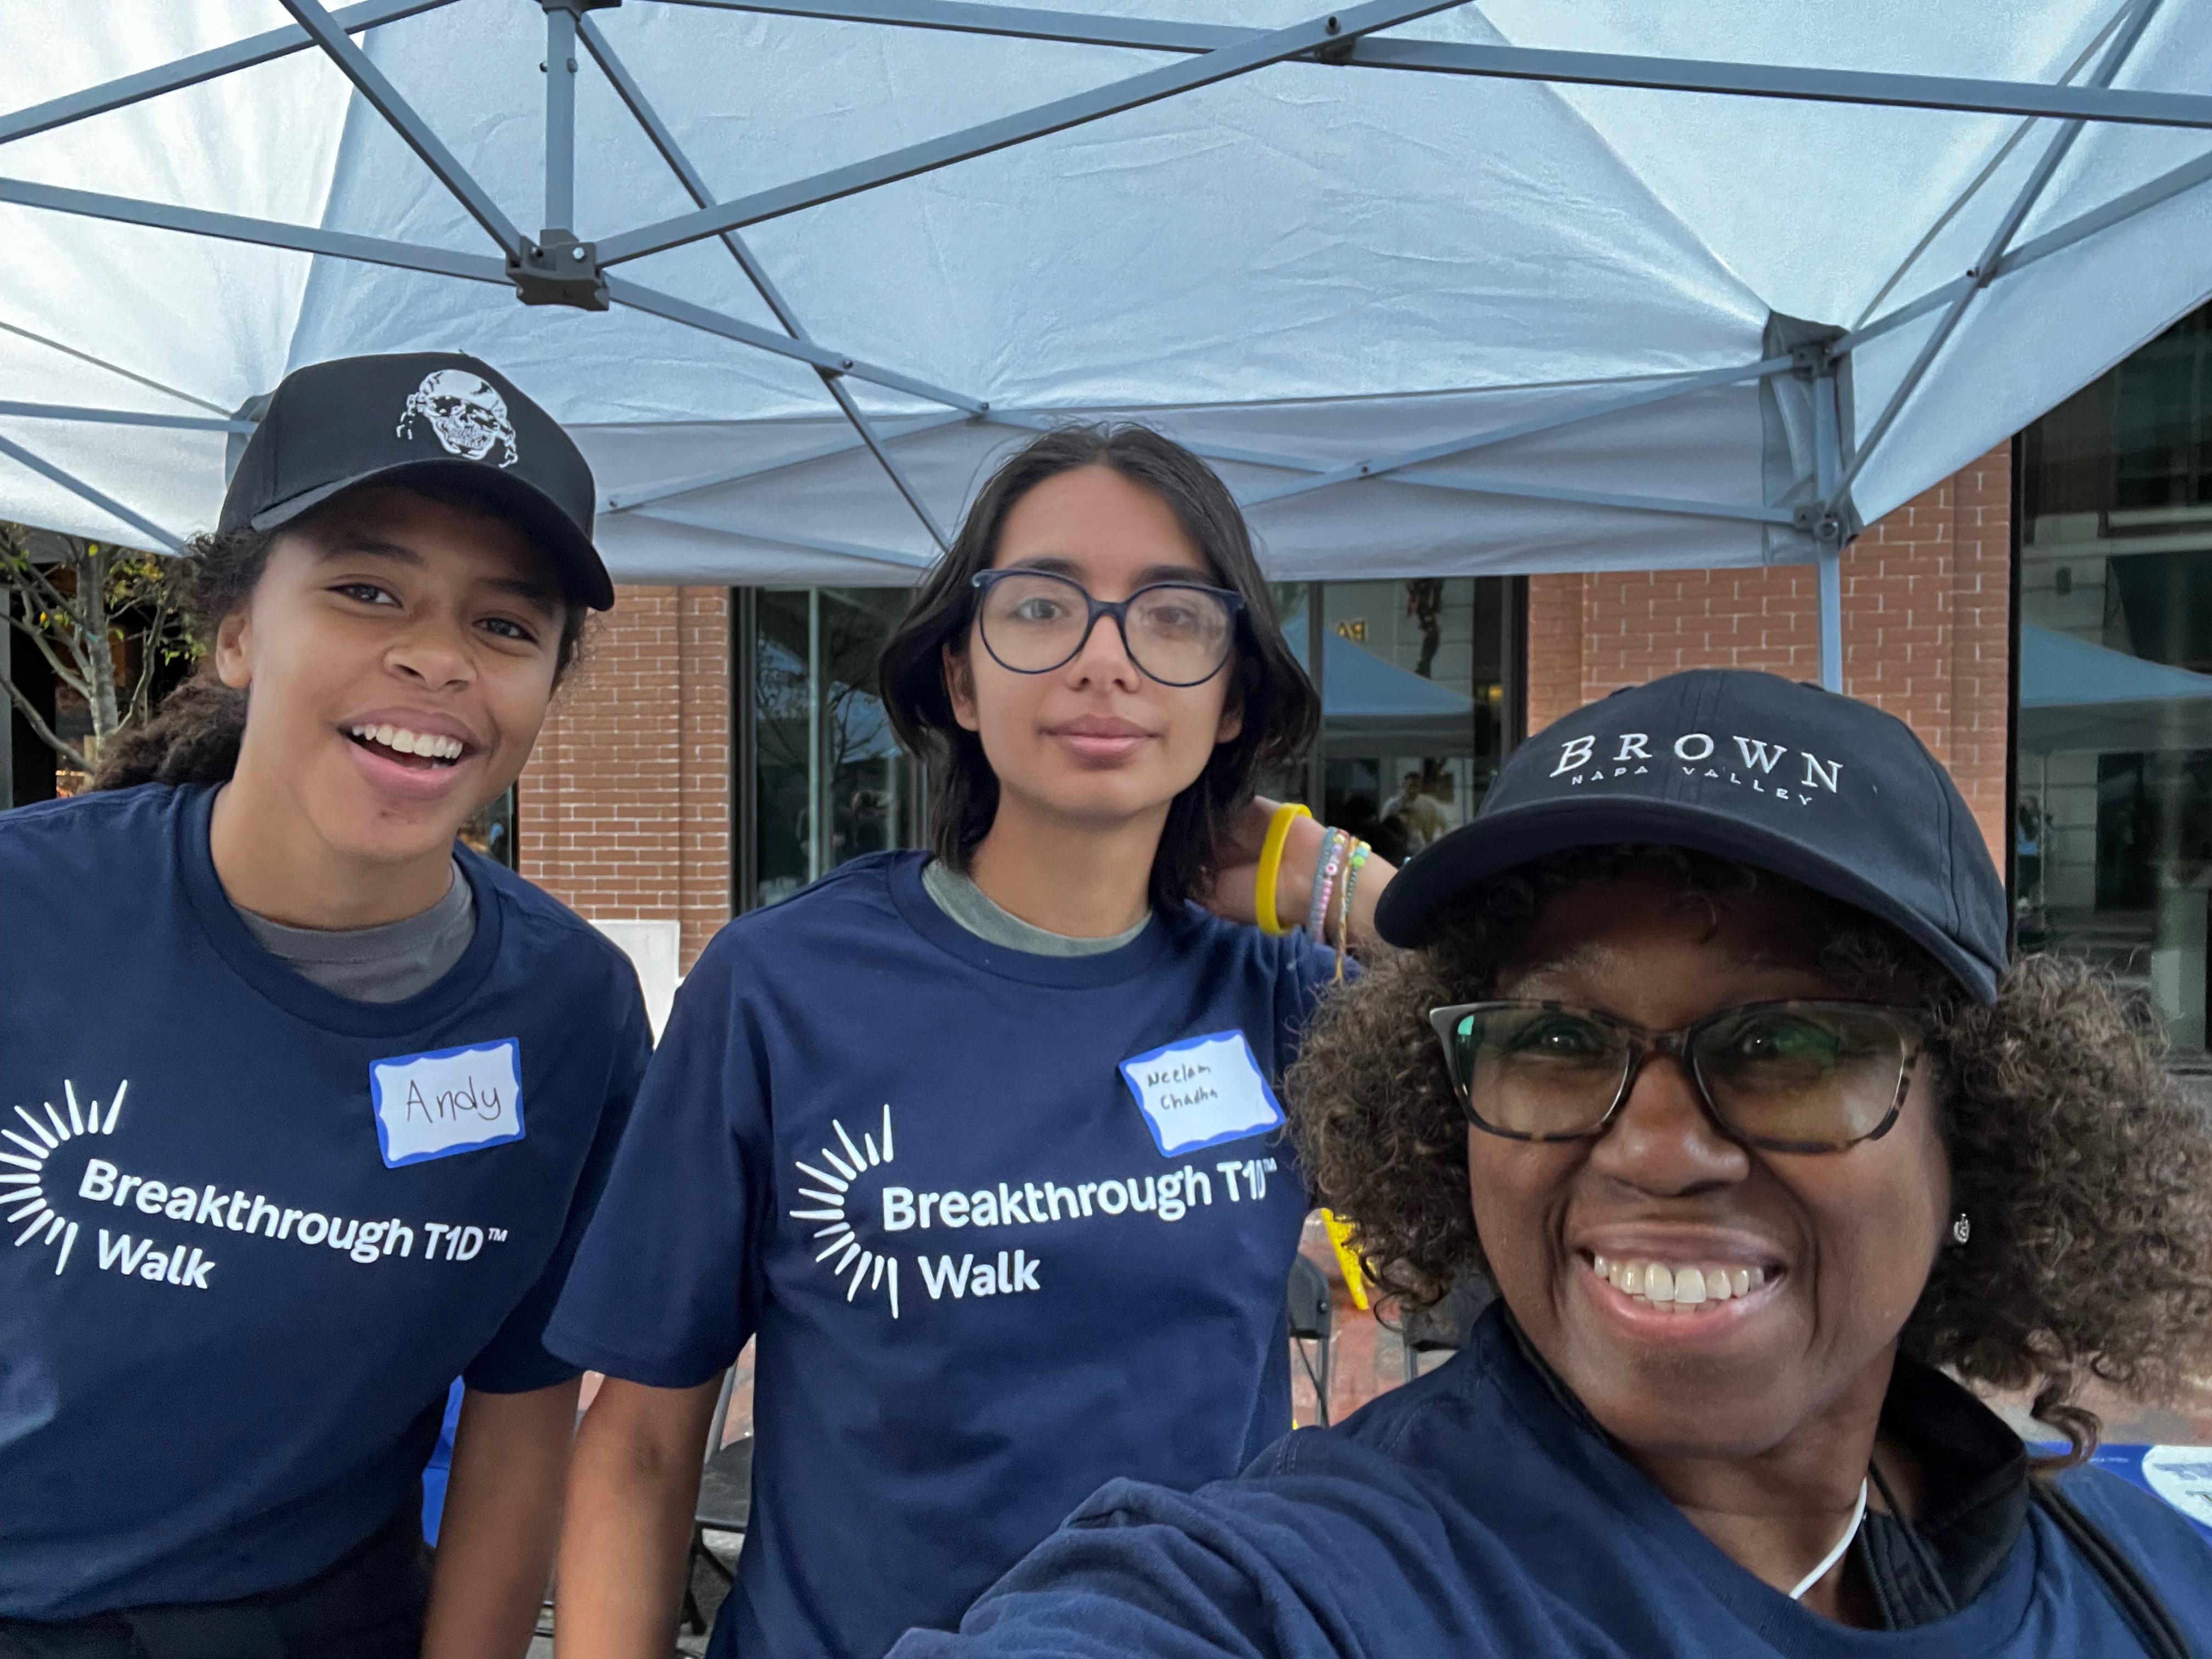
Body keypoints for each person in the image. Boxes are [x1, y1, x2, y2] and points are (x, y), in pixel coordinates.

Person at [888, 668, 2212, 1658]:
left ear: (1977, 1127)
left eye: (1792, 1046)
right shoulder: (1306, 1594)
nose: (1656, 1149)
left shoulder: (2154, 1593)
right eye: (1560, 1040)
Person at [546, 425, 1401, 1657]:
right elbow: (638, 1440)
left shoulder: (1279, 998)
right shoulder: (783, 987)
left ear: (1231, 698)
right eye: (1043, 607)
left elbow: (1557, 1050)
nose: (1105, 662)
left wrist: (1348, 890)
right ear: (960, 678)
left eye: (1172, 618)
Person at [0, 353, 651, 1658]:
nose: (436, 658)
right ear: (238, 632)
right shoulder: (31, 909)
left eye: (505, 626)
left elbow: (522, 1410)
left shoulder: (570, 1013)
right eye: (367, 590)